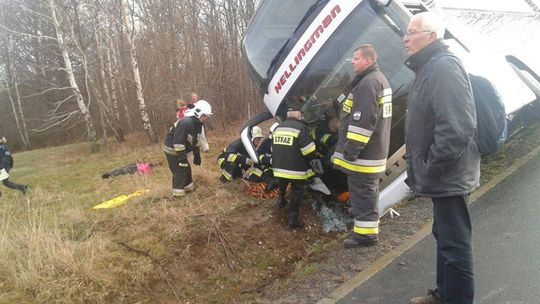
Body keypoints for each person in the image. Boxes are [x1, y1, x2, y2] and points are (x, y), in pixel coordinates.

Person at [403, 12, 479, 304]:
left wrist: (432, 167)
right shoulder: (428, 67)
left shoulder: (443, 67)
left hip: (448, 172)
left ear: (431, 36)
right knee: (444, 237)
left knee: (455, 246)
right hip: (443, 173)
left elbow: (458, 127)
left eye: (412, 33)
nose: (406, 39)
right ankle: (445, 295)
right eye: (406, 33)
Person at [331, 44, 392, 248]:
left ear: (368, 60)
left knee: (363, 194)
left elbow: (363, 121)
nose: (352, 62)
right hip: (373, 153)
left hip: (364, 156)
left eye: (356, 58)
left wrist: (351, 151)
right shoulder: (378, 80)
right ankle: (366, 231)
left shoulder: (368, 84)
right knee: (367, 193)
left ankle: (365, 236)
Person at [272, 107, 317, 229]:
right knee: (297, 191)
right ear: (298, 116)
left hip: (279, 167)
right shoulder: (300, 128)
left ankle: (281, 199)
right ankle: (293, 219)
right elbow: (309, 151)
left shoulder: (277, 128)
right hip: (296, 169)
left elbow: (273, 149)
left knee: (283, 181)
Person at [163, 100, 213, 197]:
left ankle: (189, 191)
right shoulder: (186, 123)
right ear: (199, 114)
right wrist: (182, 159)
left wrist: (197, 153)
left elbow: (194, 140)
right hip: (172, 150)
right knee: (179, 171)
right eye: (206, 115)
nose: (207, 118)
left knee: (187, 170)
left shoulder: (197, 124)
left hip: (180, 150)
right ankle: (178, 196)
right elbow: (178, 143)